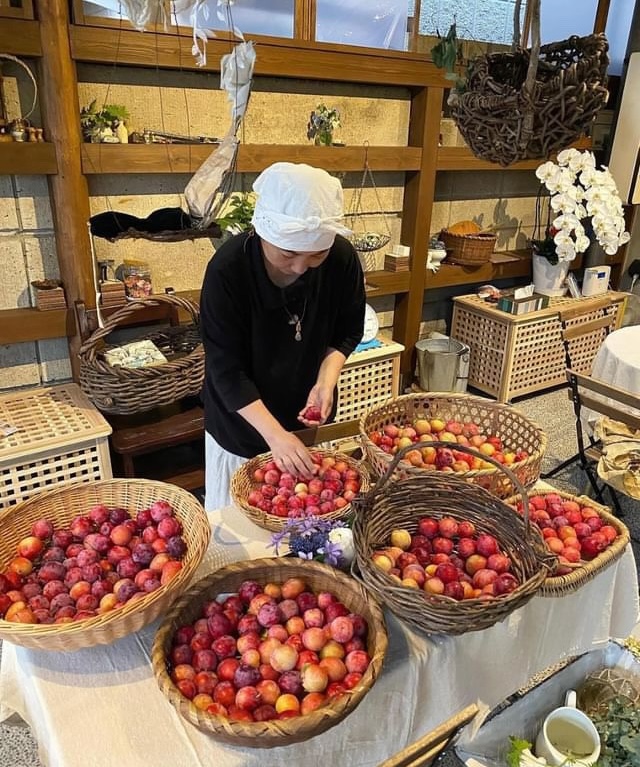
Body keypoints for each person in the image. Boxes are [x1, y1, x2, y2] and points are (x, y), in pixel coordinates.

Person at [200, 162, 366, 510]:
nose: (301, 267)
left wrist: (325, 383)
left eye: (316, 254)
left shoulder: (341, 259)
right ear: (263, 232)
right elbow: (226, 371)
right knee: (243, 526)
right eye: (288, 253)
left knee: (307, 518)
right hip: (242, 420)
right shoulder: (227, 272)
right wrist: (275, 436)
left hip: (304, 416)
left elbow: (349, 330)